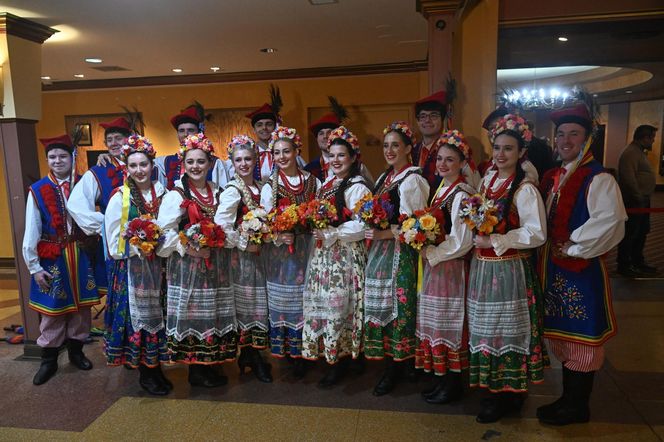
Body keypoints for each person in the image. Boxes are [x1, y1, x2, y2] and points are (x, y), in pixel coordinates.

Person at [538, 104, 627, 426]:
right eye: (561, 134)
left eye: (573, 134)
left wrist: (575, 245)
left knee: (581, 337)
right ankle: (567, 399)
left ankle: (577, 406)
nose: (565, 140)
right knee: (562, 335)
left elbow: (611, 221)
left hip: (579, 271)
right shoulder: (554, 177)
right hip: (552, 269)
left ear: (588, 139)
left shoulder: (598, 179)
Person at [468, 114, 548, 423]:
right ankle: (495, 388)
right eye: (497, 148)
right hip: (484, 268)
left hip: (509, 270)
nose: (500, 155)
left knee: (505, 330)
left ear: (520, 153)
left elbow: (537, 232)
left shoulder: (524, 189)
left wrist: (499, 240)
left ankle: (507, 391)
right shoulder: (488, 181)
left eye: (508, 149)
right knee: (485, 328)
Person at [157, 133, 236, 388]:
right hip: (188, 266)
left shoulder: (218, 191)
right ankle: (196, 369)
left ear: (210, 163)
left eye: (201, 161)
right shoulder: (176, 194)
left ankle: (211, 362)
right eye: (190, 162)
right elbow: (163, 232)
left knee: (213, 311)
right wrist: (189, 248)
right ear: (183, 164)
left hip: (216, 264)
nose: (195, 167)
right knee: (192, 313)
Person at [23, 135, 100, 385]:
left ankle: (77, 353)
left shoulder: (86, 183)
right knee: (53, 311)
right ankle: (49, 361)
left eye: (62, 156)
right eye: (52, 157)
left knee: (82, 309)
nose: (57, 161)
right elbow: (31, 229)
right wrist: (34, 267)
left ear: (72, 158)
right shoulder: (38, 190)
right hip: (53, 258)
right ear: (47, 159)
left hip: (81, 254)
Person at [302, 126, 371, 388]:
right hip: (324, 256)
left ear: (353, 158)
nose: (336, 160)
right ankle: (331, 353)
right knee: (327, 304)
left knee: (341, 305)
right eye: (332, 155)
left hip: (344, 256)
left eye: (342, 155)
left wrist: (332, 232)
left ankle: (343, 358)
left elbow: (363, 225)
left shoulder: (357, 187)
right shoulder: (327, 183)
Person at [364, 121, 429, 396]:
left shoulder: (412, 179)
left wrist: (383, 234)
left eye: (395, 145)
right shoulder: (384, 178)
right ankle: (395, 362)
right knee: (384, 305)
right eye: (386, 145)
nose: (390, 150)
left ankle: (400, 365)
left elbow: (414, 226)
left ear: (408, 148)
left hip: (401, 253)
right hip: (381, 252)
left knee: (400, 307)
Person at [104, 134, 171, 395]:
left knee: (161, 317)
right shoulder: (119, 198)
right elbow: (113, 244)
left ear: (152, 165)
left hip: (161, 269)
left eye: (143, 164)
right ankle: (146, 371)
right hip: (133, 270)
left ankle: (157, 366)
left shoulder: (164, 193)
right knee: (140, 319)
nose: (139, 170)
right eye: (133, 166)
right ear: (126, 168)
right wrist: (141, 245)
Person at [416, 130, 475, 404]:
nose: (442, 164)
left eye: (450, 160)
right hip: (437, 264)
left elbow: (462, 240)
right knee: (436, 322)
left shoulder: (462, 194)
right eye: (439, 158)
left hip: (450, 267)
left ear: (462, 162)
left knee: (448, 323)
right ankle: (441, 378)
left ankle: (452, 383)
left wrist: (433, 252)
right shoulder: (442, 189)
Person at [260, 126, 320, 379]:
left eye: (286, 151)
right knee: (286, 300)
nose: (282, 156)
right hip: (282, 253)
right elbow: (262, 222)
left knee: (306, 298)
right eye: (277, 153)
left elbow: (320, 212)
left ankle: (305, 351)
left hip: (308, 248)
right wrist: (277, 235)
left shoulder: (312, 181)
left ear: (297, 151)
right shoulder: (269, 186)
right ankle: (287, 352)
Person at [215, 135, 272, 383]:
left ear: (256, 159)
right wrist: (243, 243)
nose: (244, 164)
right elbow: (221, 227)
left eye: (248, 158)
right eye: (238, 160)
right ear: (232, 163)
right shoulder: (232, 190)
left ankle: (254, 354)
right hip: (243, 258)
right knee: (249, 306)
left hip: (264, 256)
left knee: (261, 305)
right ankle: (250, 355)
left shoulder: (262, 186)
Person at [67, 116, 133, 294]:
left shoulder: (145, 164)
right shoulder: (98, 171)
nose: (113, 143)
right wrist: (105, 225)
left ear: (130, 138)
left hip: (146, 243)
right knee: (121, 293)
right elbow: (75, 205)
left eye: (118, 138)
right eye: (109, 140)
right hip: (115, 244)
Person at [154, 103, 233, 190]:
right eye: (181, 130)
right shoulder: (166, 162)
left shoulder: (215, 163)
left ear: (199, 133)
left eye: (190, 130)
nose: (185, 134)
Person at [413, 91, 480, 189]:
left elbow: (473, 187)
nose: (427, 120)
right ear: (418, 121)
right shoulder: (412, 151)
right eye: (423, 116)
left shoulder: (455, 148)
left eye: (433, 115)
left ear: (442, 119)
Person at [617, 124, 658, 277]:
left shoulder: (639, 152)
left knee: (641, 232)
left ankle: (637, 261)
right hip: (634, 201)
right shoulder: (631, 153)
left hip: (641, 200)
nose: (653, 142)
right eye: (652, 138)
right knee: (631, 233)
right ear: (645, 138)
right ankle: (625, 264)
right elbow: (628, 178)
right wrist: (638, 196)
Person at [304, 100, 374, 188]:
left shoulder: (358, 166)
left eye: (329, 132)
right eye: (321, 133)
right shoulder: (310, 168)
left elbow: (371, 190)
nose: (325, 136)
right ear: (317, 139)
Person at [246, 103, 306, 184]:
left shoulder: (289, 154)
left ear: (276, 127)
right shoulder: (248, 155)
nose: (264, 128)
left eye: (269, 124)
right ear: (254, 129)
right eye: (259, 125)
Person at [481, 106, 539, 184]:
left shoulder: (526, 168)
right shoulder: (491, 164)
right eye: (491, 129)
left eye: (508, 148)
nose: (492, 133)